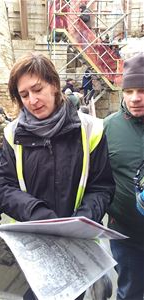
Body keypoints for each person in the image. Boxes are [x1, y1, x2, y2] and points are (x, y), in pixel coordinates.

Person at [0, 52, 115, 300]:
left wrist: (83, 219)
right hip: (33, 248)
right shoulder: (11, 134)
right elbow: (4, 187)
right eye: (24, 95)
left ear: (55, 85)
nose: (32, 100)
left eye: (37, 89)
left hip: (75, 245)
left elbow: (101, 187)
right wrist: (36, 213)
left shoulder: (91, 129)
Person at [104, 52, 144, 300]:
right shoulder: (107, 127)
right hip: (126, 235)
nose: (135, 98)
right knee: (129, 292)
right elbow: (95, 179)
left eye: (142, 90)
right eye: (129, 91)